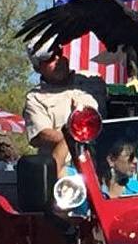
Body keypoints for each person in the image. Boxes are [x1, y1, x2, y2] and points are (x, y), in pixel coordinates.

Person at [22, 37, 107, 173]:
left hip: (103, 166)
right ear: (37, 68)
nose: (57, 59)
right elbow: (41, 134)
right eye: (49, 58)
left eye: (58, 52)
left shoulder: (93, 80)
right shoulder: (35, 98)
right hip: (65, 172)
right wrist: (78, 132)